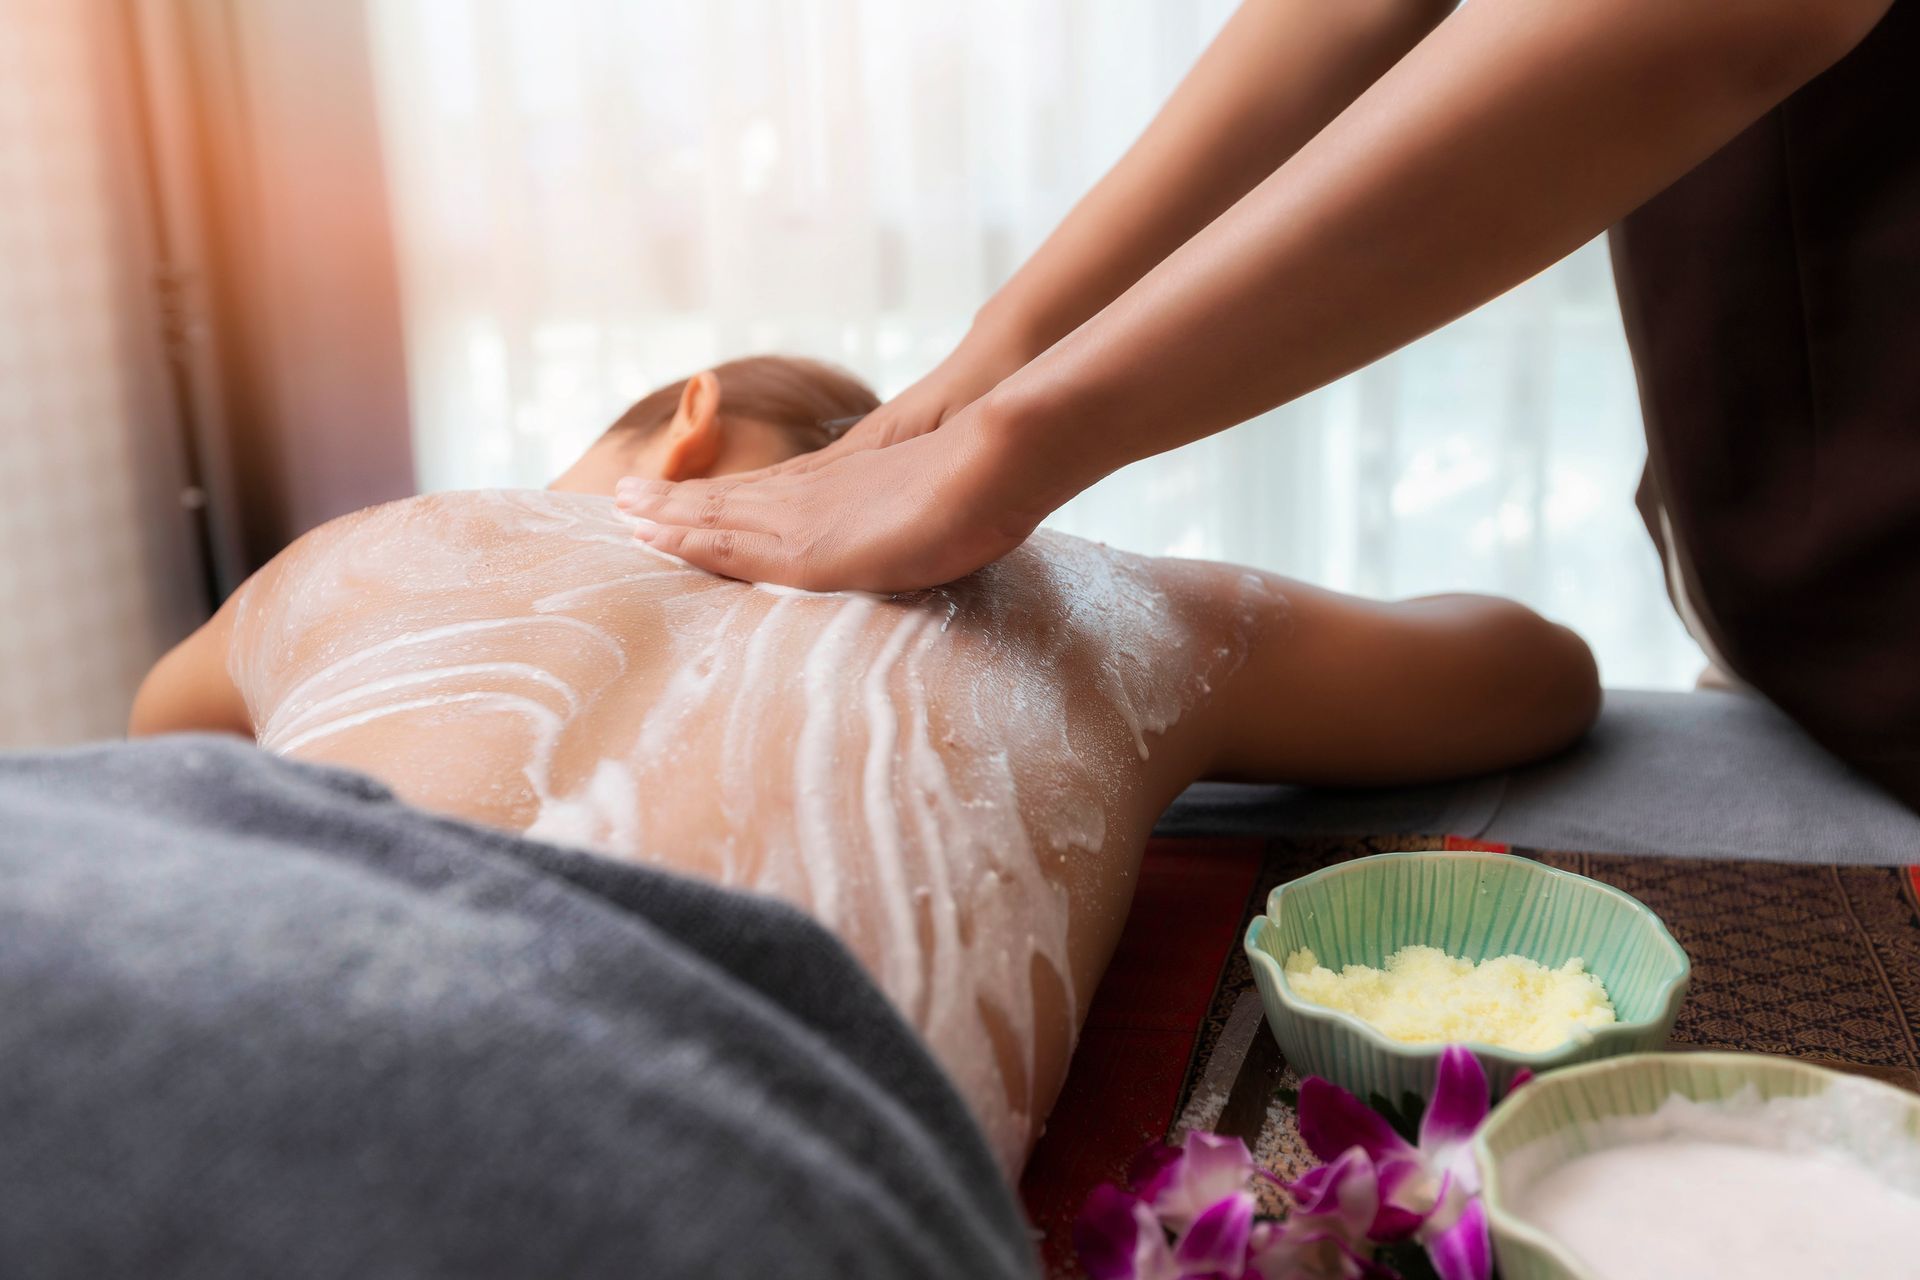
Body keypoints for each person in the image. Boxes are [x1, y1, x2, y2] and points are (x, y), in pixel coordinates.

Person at [131, 354, 1599, 1178]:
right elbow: (1533, 671)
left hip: (185, 1067)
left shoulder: (378, 548)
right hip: (728, 1187)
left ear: (690, 418)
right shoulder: (1091, 598)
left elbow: (160, 756)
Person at [611, 0, 1917, 811]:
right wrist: (995, 372)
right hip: (1804, 628)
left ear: (690, 435)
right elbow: (1539, 671)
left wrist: (1011, 432)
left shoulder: (480, 553)